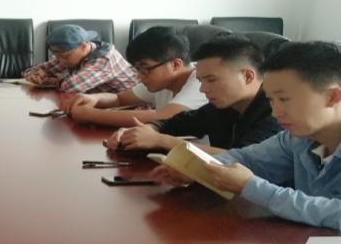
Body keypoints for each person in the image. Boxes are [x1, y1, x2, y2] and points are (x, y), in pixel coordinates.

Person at [155, 41, 341, 229]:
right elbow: (246, 158)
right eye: (271, 100)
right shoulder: (296, 139)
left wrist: (252, 187)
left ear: (332, 97)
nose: (275, 112)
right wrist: (196, 169)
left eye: (284, 99)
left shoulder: (298, 133)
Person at [105, 35, 281, 153]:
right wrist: (146, 130)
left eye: (211, 80)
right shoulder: (223, 107)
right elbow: (178, 123)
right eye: (201, 80)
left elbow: (243, 160)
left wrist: (160, 140)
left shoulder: (277, 113)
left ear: (247, 76)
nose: (203, 89)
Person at [66, 25, 206, 126]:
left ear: (175, 64)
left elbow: (165, 116)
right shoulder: (162, 80)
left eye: (145, 69)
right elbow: (119, 99)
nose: (139, 76)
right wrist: (93, 99)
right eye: (137, 69)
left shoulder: (202, 79)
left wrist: (91, 115)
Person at [21, 24, 138, 93]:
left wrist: (48, 80)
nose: (60, 61)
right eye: (57, 56)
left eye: (64, 56)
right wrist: (34, 74)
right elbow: (36, 69)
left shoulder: (104, 59)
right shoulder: (67, 54)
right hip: (101, 103)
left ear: (84, 46)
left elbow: (72, 86)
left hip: (131, 107)